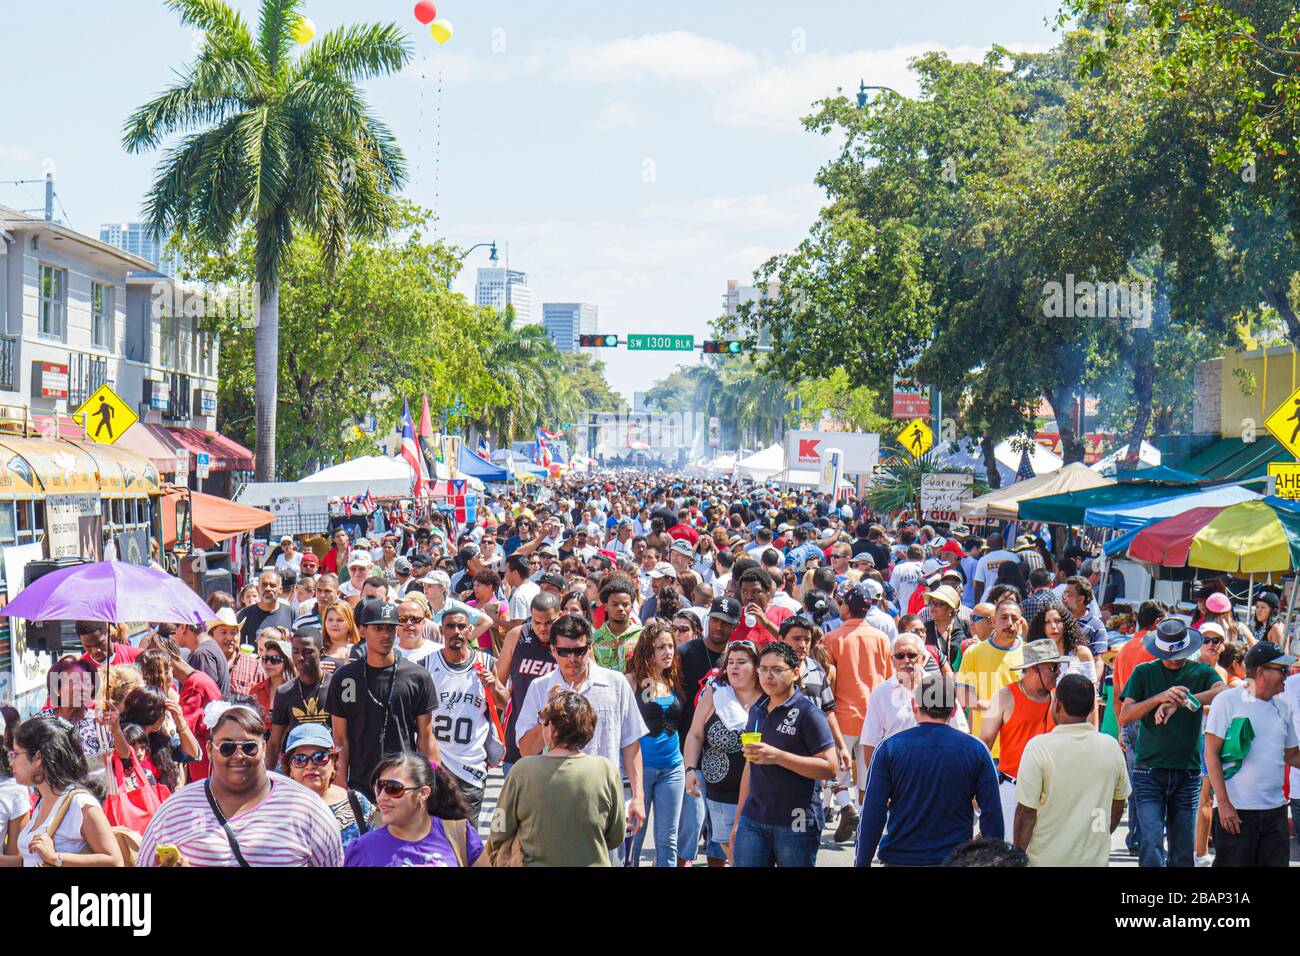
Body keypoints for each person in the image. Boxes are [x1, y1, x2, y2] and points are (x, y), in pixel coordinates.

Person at [138, 701, 343, 867]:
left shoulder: (307, 808)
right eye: (227, 747)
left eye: (249, 747)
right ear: (210, 749)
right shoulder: (175, 810)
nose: (238, 755)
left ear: (263, 748)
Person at [514, 614, 648, 850]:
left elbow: (631, 744)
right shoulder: (540, 687)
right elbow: (526, 749)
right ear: (553, 650)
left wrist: (638, 797)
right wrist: (547, 712)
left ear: (590, 647)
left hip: (604, 798)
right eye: (565, 652)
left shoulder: (616, 683)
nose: (573, 658)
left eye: (580, 650)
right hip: (552, 801)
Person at [855, 673, 1003, 866]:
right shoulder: (976, 750)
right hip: (954, 859)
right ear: (953, 710)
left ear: (914, 705)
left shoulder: (889, 748)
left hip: (901, 858)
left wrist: (861, 863)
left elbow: (872, 814)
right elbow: (992, 815)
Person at [1119, 619, 1226, 867]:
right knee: (1151, 843)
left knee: (1182, 851)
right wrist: (1160, 698)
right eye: (1170, 655)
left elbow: (1222, 690)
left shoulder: (1200, 671)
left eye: (1180, 654)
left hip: (1186, 772)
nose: (1176, 659)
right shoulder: (1144, 672)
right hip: (1149, 770)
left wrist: (1183, 700)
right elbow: (1126, 715)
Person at [730, 642, 837, 868]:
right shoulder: (757, 709)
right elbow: (750, 765)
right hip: (754, 819)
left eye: (777, 670)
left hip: (796, 822)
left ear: (796, 672)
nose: (769, 676)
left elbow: (829, 767)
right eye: (764, 669)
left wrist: (779, 757)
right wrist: (739, 819)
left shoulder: (809, 713)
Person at [489, 691, 626, 866]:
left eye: (543, 723)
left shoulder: (522, 770)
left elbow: (499, 829)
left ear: (552, 729)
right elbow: (616, 835)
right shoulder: (606, 770)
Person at [325, 601, 440, 801]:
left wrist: (431, 785)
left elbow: (426, 737)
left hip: (405, 785)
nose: (385, 634)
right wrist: (341, 786)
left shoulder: (417, 676)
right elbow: (340, 739)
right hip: (360, 786)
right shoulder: (345, 678)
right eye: (377, 628)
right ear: (362, 631)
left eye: (390, 628)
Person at [1013, 673, 1130, 866]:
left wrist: (1017, 856)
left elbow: (1026, 812)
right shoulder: (1110, 747)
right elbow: (1118, 804)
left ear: (1056, 704)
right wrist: (1096, 838)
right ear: (1093, 707)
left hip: (1044, 861)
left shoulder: (1038, 747)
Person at [1203, 642, 1300, 867]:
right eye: (1282, 670)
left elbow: (1292, 755)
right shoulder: (1227, 701)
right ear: (1260, 672)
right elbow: (1211, 754)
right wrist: (1224, 803)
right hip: (1237, 813)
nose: (1287, 675)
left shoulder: (1282, 707)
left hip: (1275, 812)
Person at [0, 715, 123, 867]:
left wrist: (55, 858)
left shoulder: (79, 802)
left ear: (38, 757)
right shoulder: (45, 800)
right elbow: (29, 860)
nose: (11, 762)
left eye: (16, 754)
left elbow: (115, 861)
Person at [423, 608, 506, 824]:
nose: (456, 631)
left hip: (471, 764)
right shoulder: (427, 664)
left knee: (468, 833)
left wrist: (492, 686)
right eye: (450, 626)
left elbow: (504, 702)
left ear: (470, 630)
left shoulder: (485, 663)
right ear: (441, 630)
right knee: (436, 829)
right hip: (438, 762)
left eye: (461, 626)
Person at [821, 584, 893, 829]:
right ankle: (862, 820)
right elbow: (889, 678)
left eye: (842, 603)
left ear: (848, 607)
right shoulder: (882, 639)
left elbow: (826, 681)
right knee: (866, 776)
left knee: (836, 771)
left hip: (840, 715)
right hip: (873, 717)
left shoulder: (831, 639)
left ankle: (846, 806)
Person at [684, 641, 760, 866]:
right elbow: (695, 735)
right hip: (722, 795)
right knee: (736, 854)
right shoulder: (716, 693)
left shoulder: (768, 698)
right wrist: (690, 769)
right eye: (731, 663)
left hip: (762, 793)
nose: (734, 667)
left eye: (742, 662)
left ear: (756, 666)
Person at [978, 639, 1069, 826]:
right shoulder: (1004, 696)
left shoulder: (1059, 698)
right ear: (1035, 668)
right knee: (1011, 851)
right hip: (1013, 791)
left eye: (1059, 666)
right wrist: (976, 787)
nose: (1058, 672)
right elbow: (984, 744)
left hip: (1052, 793)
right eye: (1053, 667)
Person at [343, 753, 485, 867]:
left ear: (423, 793)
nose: (381, 797)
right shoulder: (362, 849)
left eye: (393, 788)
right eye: (378, 787)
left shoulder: (460, 835)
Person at [626, 621, 686, 867]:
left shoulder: (673, 680)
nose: (668, 652)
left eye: (671, 646)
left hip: (673, 767)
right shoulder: (630, 680)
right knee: (634, 837)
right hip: (641, 769)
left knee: (668, 841)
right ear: (647, 650)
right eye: (661, 647)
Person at [862, 632, 969, 768]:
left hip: (939, 770)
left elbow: (961, 732)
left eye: (912, 655)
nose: (906, 661)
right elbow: (870, 743)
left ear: (923, 659)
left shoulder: (941, 688)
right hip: (899, 775)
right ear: (892, 660)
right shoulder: (880, 695)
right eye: (900, 656)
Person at [280, 723, 375, 850]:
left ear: (334, 762)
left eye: (319, 757)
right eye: (300, 759)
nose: (310, 766)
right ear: (290, 768)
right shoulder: (278, 809)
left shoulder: (357, 803)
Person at [496, 592, 561, 776]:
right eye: (536, 622)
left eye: (548, 622)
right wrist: (509, 702)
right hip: (519, 736)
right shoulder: (518, 635)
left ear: (560, 616)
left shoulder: (569, 642)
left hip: (558, 739)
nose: (542, 628)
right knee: (517, 803)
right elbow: (499, 683)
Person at [955, 601, 1025, 757]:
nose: (1009, 623)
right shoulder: (974, 653)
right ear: (993, 621)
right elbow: (963, 695)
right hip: (986, 747)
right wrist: (995, 708)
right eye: (1004, 618)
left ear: (1021, 623)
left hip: (1021, 748)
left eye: (1014, 619)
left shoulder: (1029, 653)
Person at [267, 628, 333, 768]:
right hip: (297, 766)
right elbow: (274, 743)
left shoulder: (336, 687)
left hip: (328, 764)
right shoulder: (285, 692)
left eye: (307, 652)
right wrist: (268, 780)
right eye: (295, 652)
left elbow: (344, 738)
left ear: (321, 652)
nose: (300, 657)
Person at [1028, 605, 1097, 687]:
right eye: (1047, 622)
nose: (1053, 626)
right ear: (1041, 627)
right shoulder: (1039, 658)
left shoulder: (1082, 653)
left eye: (1057, 621)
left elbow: (1092, 693)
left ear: (1066, 624)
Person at [592, 578, 644, 670]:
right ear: (605, 607)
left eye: (625, 605)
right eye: (615, 604)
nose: (620, 608)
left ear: (631, 607)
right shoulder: (594, 638)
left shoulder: (643, 636)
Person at [175, 613, 230, 696]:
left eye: (174, 629)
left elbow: (204, 696)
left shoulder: (203, 654)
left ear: (183, 627)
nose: (173, 634)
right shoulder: (207, 648)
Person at [237, 569, 295, 646]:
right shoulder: (245, 615)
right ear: (258, 589)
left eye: (273, 585)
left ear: (280, 589)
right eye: (264, 585)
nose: (268, 588)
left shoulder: (290, 613)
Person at [249, 629, 294, 720]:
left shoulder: (297, 690)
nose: (268, 663)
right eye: (265, 658)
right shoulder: (255, 690)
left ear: (287, 662)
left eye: (275, 659)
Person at [75, 619, 140, 667]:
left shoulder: (137, 656)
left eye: (99, 644)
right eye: (88, 646)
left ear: (108, 633)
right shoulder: (80, 668)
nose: (95, 651)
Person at [321, 601, 360, 674]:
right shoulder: (317, 646)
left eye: (340, 620)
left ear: (349, 622)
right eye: (330, 620)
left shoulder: (359, 649)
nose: (334, 624)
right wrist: (315, 669)